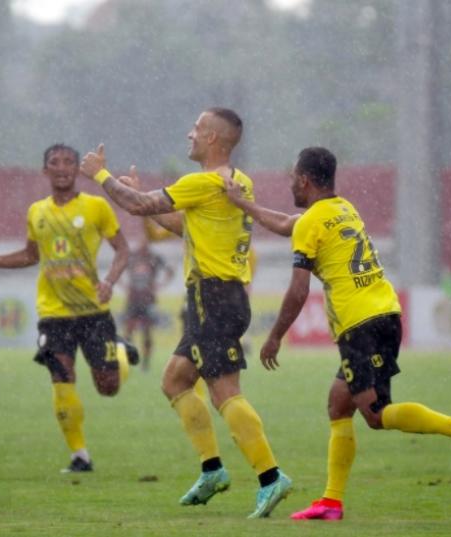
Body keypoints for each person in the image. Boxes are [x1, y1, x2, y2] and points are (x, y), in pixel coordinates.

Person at [223, 146, 451, 521]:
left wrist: (274, 336)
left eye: (291, 178)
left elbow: (299, 289)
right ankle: (331, 502)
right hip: (383, 312)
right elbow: (288, 223)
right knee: (338, 403)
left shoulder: (311, 222)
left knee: (377, 414)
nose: (289, 184)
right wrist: (242, 205)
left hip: (361, 325)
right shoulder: (342, 208)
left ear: (304, 179)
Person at [78, 107, 292, 519]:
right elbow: (183, 225)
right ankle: (212, 469)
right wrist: (138, 195)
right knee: (175, 380)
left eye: (196, 128)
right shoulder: (235, 182)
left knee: (224, 392)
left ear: (213, 138)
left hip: (214, 298)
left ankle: (271, 476)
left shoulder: (203, 181)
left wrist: (101, 177)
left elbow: (139, 206)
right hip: (219, 298)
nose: (189, 134)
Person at [0, 143, 138, 473]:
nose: (62, 167)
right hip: (53, 313)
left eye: (69, 162)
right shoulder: (37, 212)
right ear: (45, 171)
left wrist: (110, 281)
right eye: (54, 163)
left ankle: (123, 353)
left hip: (93, 311)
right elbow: (30, 255)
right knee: (61, 376)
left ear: (77, 170)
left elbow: (123, 250)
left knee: (108, 387)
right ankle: (80, 455)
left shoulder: (97, 207)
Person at [123, 238, 174, 371]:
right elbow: (117, 266)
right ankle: (127, 359)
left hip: (147, 299)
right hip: (133, 299)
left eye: (146, 241)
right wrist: (124, 286)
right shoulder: (132, 256)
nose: (143, 243)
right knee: (129, 330)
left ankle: (145, 363)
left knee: (147, 331)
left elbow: (170, 271)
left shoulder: (154, 257)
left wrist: (160, 285)